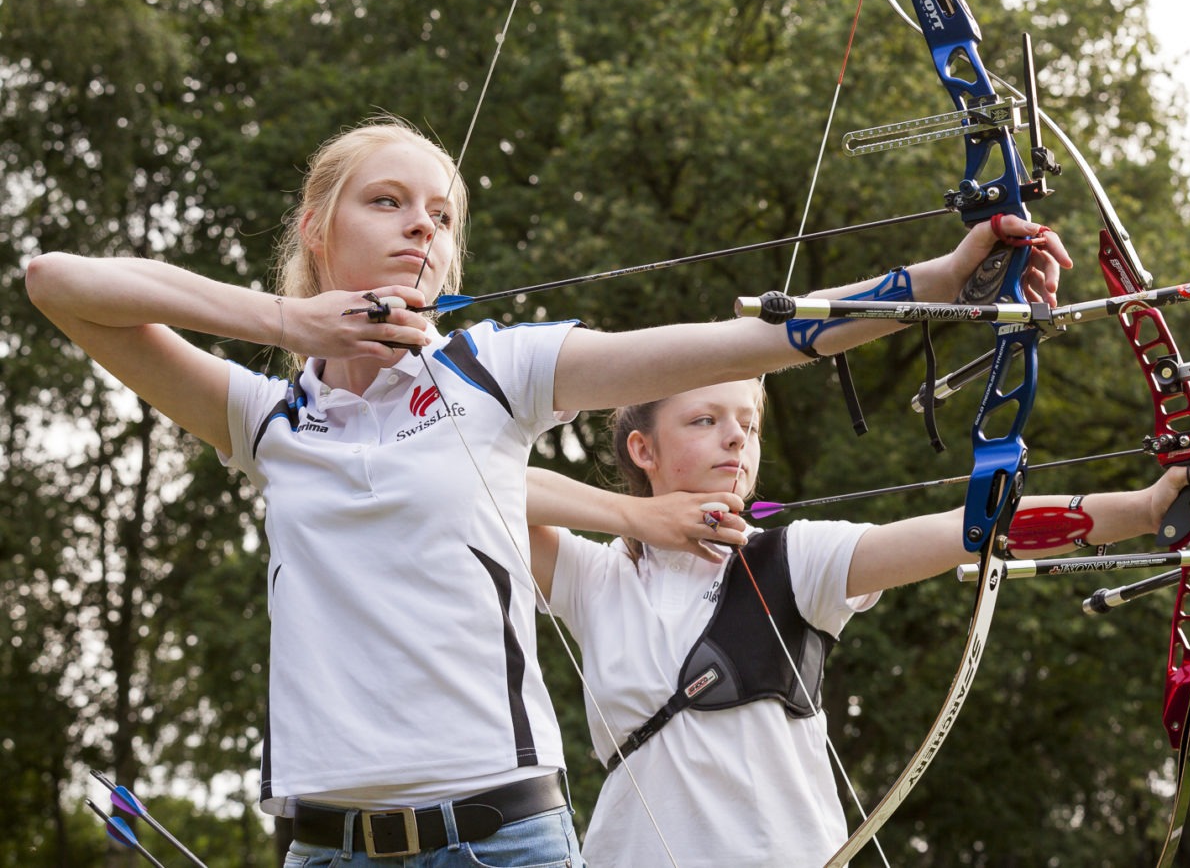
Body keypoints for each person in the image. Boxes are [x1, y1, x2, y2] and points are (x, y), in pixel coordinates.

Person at [24, 116, 1073, 866]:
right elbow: (55, 283)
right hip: (325, 844)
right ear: (316, 227)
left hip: (498, 836)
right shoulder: (269, 420)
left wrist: (941, 283)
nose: (420, 228)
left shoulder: (492, 373)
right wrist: (292, 325)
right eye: (386, 202)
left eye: (440, 215)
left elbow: (744, 338)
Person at [526, 378, 1190, 868]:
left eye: (748, 424)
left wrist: (1145, 508)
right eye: (705, 419)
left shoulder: (795, 557)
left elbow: (972, 527)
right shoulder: (596, 579)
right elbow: (480, 477)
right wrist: (634, 517)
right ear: (641, 448)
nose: (736, 438)